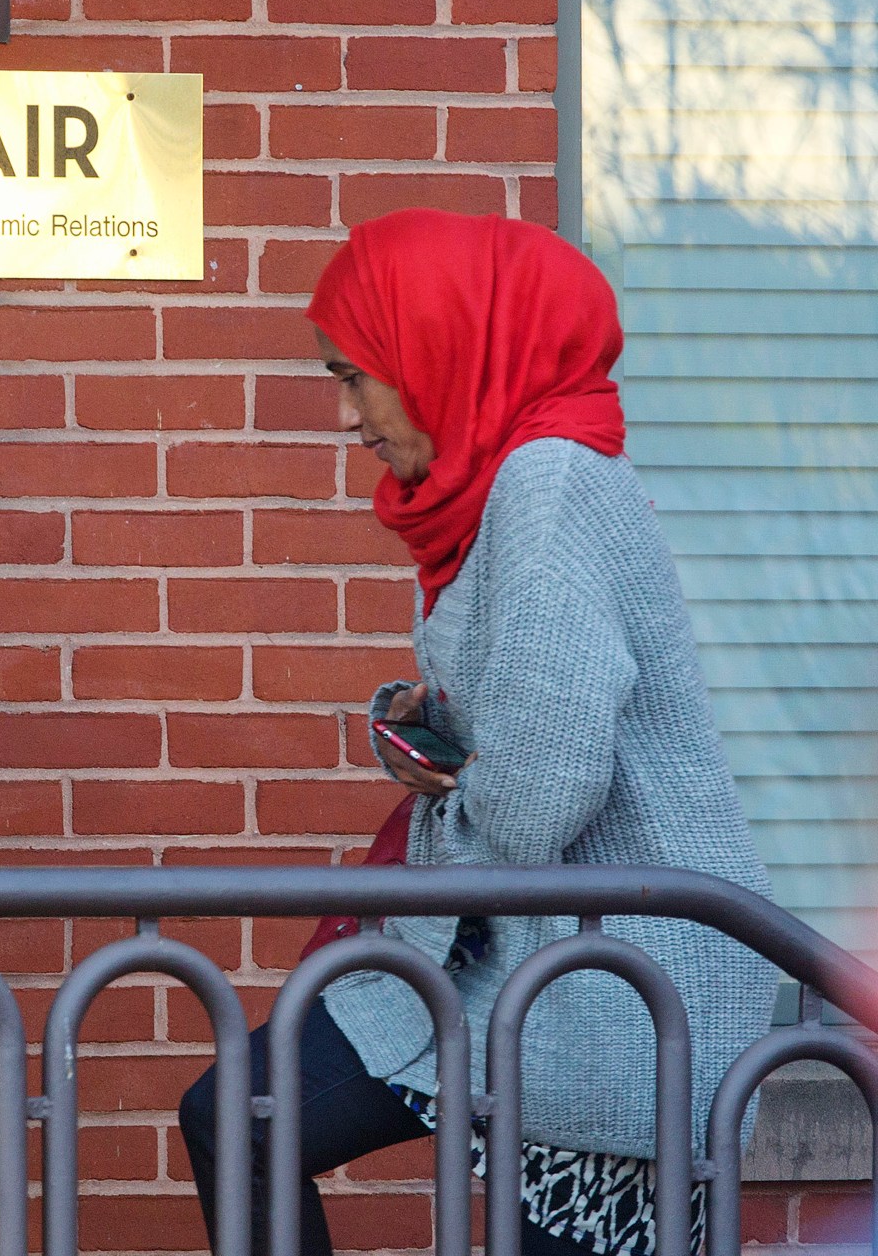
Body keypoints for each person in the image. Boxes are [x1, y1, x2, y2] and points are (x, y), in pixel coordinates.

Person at [178, 209, 776, 1256]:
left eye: (356, 378)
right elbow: (530, 729)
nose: (349, 418)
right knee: (238, 1115)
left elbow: (539, 801)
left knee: (244, 1117)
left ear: (437, 347)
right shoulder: (500, 486)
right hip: (506, 961)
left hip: (612, 992)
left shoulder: (551, 484)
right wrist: (437, 736)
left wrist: (463, 778)